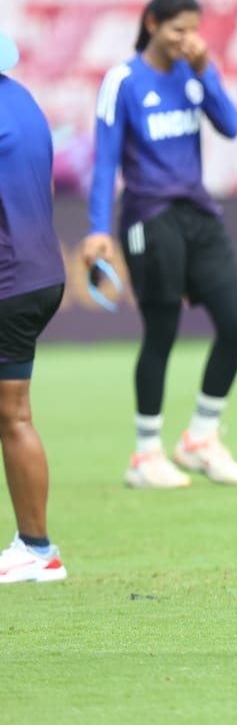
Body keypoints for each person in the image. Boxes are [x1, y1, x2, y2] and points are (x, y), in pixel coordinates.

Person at [81, 0, 237, 490]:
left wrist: (207, 70)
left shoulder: (192, 73)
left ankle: (200, 437)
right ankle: (145, 454)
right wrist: (96, 229)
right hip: (148, 216)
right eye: (178, 28)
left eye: (193, 29)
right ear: (152, 23)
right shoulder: (123, 80)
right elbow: (105, 161)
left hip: (197, 212)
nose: (187, 39)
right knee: (161, 332)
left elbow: (232, 125)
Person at [0, 30, 69, 583]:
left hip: (9, 281)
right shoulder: (20, 99)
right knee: (14, 414)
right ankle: (36, 546)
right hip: (38, 274)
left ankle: (38, 546)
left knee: (14, 415)